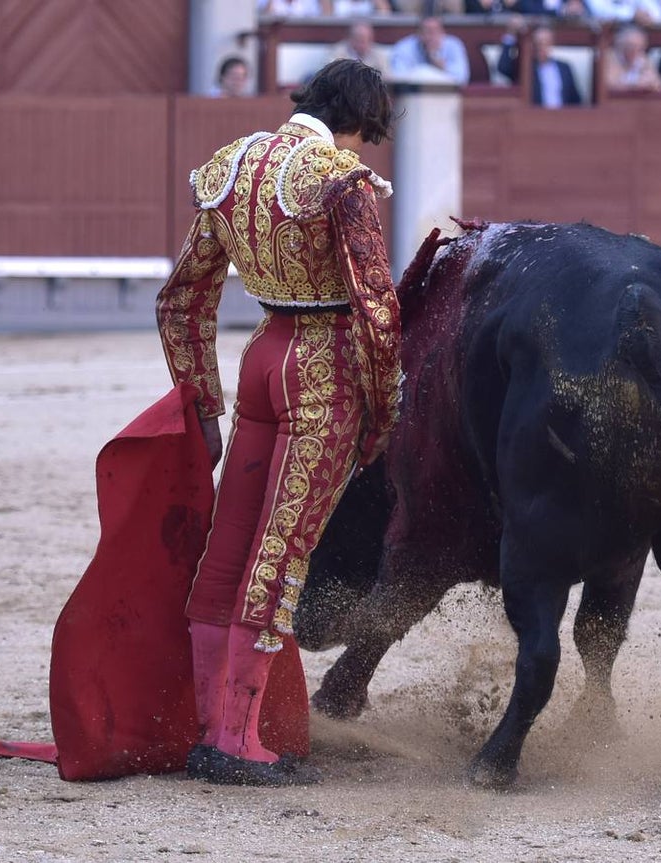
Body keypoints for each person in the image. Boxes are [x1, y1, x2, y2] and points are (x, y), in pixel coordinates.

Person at [156, 59, 401, 786]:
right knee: (282, 550)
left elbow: (180, 298)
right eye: (366, 134)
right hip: (321, 369)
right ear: (357, 122)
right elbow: (377, 310)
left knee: (228, 546)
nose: (361, 148)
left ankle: (211, 731)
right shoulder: (340, 178)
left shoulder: (232, 165)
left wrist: (201, 402)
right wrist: (382, 413)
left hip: (262, 357)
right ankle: (238, 742)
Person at [497, 23, 583, 106]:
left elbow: (575, 99)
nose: (541, 47)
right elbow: (503, 67)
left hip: (562, 115)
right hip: (533, 115)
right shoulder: (525, 68)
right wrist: (510, 36)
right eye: (538, 43)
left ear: (551, 44)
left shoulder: (564, 68)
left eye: (546, 42)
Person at [390, 16, 471, 84]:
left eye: (435, 32)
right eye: (426, 31)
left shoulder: (454, 45)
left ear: (442, 32)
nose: (430, 37)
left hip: (445, 91)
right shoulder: (404, 47)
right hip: (415, 92)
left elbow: (462, 78)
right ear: (418, 33)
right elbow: (399, 77)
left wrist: (439, 64)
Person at [603, 24, 661, 93]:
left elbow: (659, 85)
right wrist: (637, 85)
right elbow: (609, 85)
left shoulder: (643, 58)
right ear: (620, 45)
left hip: (639, 99)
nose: (635, 50)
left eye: (639, 47)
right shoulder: (609, 57)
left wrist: (648, 83)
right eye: (630, 45)